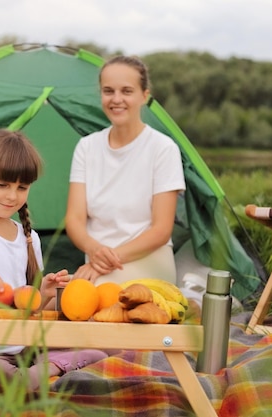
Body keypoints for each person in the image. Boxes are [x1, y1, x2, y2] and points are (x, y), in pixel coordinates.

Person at [0, 129, 107, 390]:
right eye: (3, 185)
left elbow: (30, 305)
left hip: (24, 347)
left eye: (22, 187)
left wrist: (45, 292)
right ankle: (43, 371)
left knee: (98, 352)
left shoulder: (28, 237)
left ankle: (42, 368)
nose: (12, 196)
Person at [65, 55, 189, 291]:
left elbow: (161, 230)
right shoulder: (87, 147)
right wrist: (95, 250)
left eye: (127, 91)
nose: (117, 99)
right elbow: (74, 219)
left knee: (87, 299)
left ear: (145, 96)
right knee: (59, 296)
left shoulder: (163, 149)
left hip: (148, 263)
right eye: (108, 91)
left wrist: (109, 260)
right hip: (97, 263)